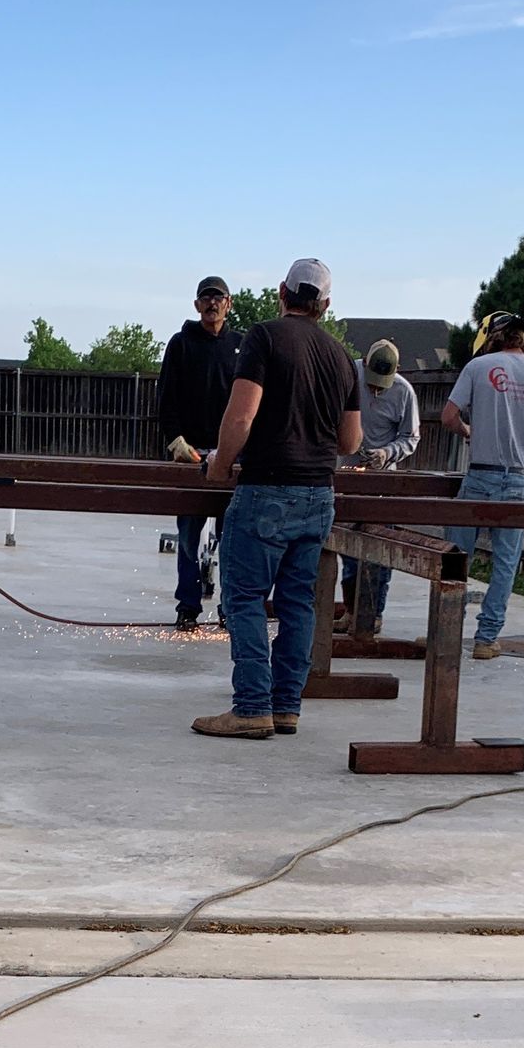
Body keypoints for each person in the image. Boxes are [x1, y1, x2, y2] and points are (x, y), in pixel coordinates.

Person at [194, 259, 361, 740]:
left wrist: (220, 466)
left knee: (244, 598)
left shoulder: (263, 337)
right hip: (318, 495)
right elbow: (350, 442)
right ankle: (286, 706)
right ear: (325, 305)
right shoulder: (340, 358)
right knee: (298, 604)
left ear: (281, 292)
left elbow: (241, 416)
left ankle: (250, 708)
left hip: (267, 489)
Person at [441, 312, 524, 659]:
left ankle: (447, 633)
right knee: (505, 563)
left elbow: (448, 417)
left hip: (479, 475)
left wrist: (469, 431)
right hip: (517, 477)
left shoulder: (478, 367)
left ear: (493, 336)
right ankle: (486, 639)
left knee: (455, 558)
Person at [156, 275, 243, 630]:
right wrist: (175, 439)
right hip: (189, 453)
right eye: (205, 299)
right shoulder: (181, 344)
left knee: (233, 536)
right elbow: (166, 397)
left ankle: (230, 606)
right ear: (196, 305)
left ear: (228, 303)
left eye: (218, 298)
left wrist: (239, 446)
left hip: (231, 454)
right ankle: (188, 606)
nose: (211, 304)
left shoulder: (242, 345)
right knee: (189, 534)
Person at [336, 336, 420, 634]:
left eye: (380, 385)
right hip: (347, 474)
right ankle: (350, 610)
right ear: (365, 364)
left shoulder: (403, 392)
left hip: (382, 481)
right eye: (371, 382)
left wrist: (387, 453)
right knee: (347, 549)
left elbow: (411, 437)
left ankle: (373, 615)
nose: (374, 389)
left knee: (379, 554)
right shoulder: (347, 376)